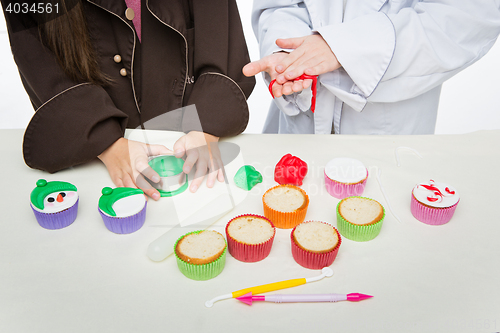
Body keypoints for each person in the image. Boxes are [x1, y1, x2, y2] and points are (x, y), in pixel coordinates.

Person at [1, 0, 255, 199]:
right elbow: (37, 58)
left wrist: (207, 122)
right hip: (97, 165)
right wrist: (107, 142)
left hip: (191, 149)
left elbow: (220, 26)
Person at [243, 0, 500, 135]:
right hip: (300, 114)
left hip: (388, 125)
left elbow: (464, 19)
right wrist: (289, 53)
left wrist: (343, 47)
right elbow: (281, 5)